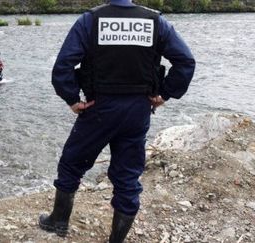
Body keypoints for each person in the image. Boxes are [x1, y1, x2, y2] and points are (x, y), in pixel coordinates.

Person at [39, 0, 195, 242]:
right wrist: (164, 93)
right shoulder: (156, 21)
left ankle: (58, 221)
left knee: (72, 163)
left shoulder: (90, 20)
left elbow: (63, 65)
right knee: (128, 177)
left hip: (99, 108)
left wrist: (72, 99)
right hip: (138, 110)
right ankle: (116, 240)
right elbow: (185, 61)